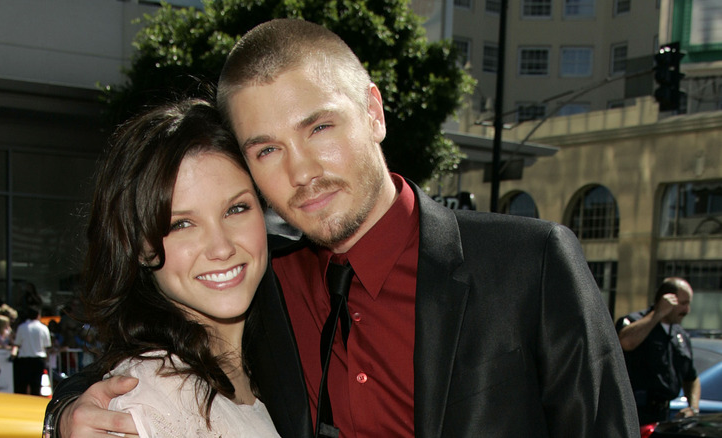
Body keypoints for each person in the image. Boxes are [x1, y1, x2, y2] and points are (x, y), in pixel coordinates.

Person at [46, 19, 639, 437]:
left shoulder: (527, 266)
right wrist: (67, 413)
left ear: (374, 112)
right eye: (267, 149)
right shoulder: (258, 279)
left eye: (319, 128)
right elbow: (142, 365)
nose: (302, 171)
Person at [54, 97, 280, 437]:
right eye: (181, 225)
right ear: (142, 248)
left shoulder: (276, 354)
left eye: (236, 209)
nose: (221, 247)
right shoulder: (150, 400)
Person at [616, 277, 700, 425]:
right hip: (632, 413)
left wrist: (692, 407)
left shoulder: (680, 335)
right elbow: (626, 342)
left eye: (688, 304)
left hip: (662, 416)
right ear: (667, 299)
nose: (687, 310)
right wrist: (657, 314)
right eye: (683, 304)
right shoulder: (636, 321)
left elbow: (691, 377)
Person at [11, 305, 51, 395]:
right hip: (38, 359)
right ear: (38, 315)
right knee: (36, 386)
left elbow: (17, 343)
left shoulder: (22, 327)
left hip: (24, 360)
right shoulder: (43, 328)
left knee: (22, 386)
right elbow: (47, 346)